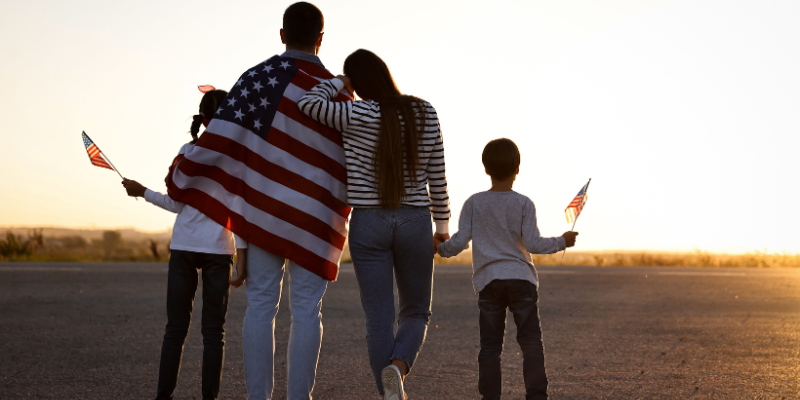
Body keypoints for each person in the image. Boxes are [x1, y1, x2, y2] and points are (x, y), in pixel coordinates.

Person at [298, 49, 450, 400]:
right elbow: (437, 176)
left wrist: (339, 82)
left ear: (356, 81)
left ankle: (387, 394)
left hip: (369, 221)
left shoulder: (354, 111)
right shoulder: (425, 111)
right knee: (415, 311)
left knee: (378, 318)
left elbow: (308, 103)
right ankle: (397, 369)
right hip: (415, 219)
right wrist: (441, 227)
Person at [121, 88, 243, 400]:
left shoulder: (188, 152)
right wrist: (242, 256)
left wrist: (143, 191)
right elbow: (241, 212)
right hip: (219, 250)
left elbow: (177, 205)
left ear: (203, 119)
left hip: (184, 247)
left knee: (175, 330)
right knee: (214, 333)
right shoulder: (239, 157)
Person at [435, 138, 578, 400]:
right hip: (521, 279)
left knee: (490, 346)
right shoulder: (524, 204)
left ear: (486, 169)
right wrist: (562, 241)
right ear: (518, 169)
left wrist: (438, 249)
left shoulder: (474, 203)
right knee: (531, 343)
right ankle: (536, 396)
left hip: (489, 282)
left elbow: (457, 242)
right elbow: (534, 244)